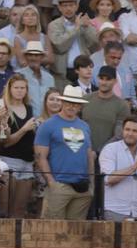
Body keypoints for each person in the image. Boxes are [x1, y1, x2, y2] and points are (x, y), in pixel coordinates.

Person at [35, 85, 96, 220]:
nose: (72, 106)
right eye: (68, 102)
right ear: (62, 102)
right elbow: (40, 157)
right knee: (51, 230)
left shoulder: (85, 126)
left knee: (75, 232)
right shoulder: (47, 125)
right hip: (59, 185)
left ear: (80, 106)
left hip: (82, 187)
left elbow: (89, 156)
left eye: (76, 104)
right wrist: (51, 183)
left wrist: (91, 184)